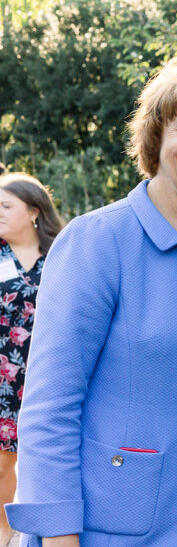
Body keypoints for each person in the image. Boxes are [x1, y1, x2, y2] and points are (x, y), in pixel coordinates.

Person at [6, 56, 177, 546]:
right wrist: (59, 535)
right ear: (157, 137)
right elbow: (50, 407)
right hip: (108, 529)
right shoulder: (97, 240)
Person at [0, 174, 64, 545]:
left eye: (6, 206)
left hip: (46, 373)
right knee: (4, 462)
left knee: (42, 456)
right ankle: (6, 531)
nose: (0, 213)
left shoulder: (60, 256)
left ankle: (42, 528)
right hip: (3, 379)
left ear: (34, 211)